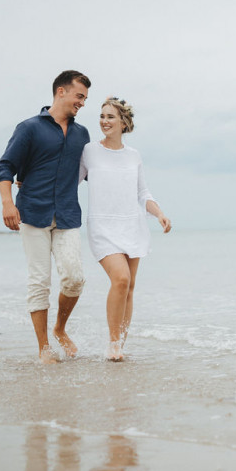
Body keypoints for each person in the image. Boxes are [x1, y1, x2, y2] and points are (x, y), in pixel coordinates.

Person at [0, 70, 91, 364]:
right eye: (79, 96)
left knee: (74, 278)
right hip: (32, 212)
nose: (82, 103)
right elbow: (5, 166)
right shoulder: (29, 128)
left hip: (67, 214)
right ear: (61, 91)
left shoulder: (82, 134)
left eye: (85, 99)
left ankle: (60, 328)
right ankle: (44, 348)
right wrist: (7, 204)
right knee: (39, 281)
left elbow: (93, 172)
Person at [79, 96, 171, 361]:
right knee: (120, 279)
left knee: (129, 287)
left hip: (132, 224)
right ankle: (112, 343)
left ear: (123, 123)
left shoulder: (134, 156)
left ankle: (119, 345)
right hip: (102, 226)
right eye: (102, 116)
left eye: (110, 117)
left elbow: (143, 192)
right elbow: (69, 181)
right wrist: (33, 184)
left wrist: (159, 213)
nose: (104, 121)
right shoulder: (89, 151)